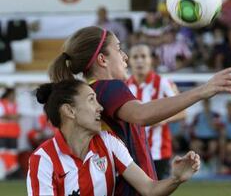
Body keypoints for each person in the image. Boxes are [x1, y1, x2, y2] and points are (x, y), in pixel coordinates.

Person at [48, 26, 231, 196]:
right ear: (102, 59)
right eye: (118, 49)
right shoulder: (108, 87)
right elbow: (142, 115)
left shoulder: (91, 92)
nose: (125, 56)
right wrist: (202, 91)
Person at [27, 80, 200, 196]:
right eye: (91, 100)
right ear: (70, 111)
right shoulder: (43, 159)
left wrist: (176, 179)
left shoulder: (109, 142)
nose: (100, 107)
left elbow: (149, 188)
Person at [126, 44, 186, 179]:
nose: (139, 61)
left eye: (143, 56)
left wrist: (162, 118)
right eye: (135, 57)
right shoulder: (124, 86)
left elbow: (182, 111)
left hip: (158, 151)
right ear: (129, 61)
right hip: (131, 151)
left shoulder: (163, 83)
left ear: (150, 60)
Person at [0, 88, 21, 179]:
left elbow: (18, 116)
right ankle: (3, 172)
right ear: (8, 94)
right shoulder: (2, 103)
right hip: (3, 133)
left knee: (13, 153)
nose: (13, 96)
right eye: (12, 94)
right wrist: (12, 117)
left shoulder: (15, 105)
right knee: (2, 152)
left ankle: (10, 171)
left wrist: (10, 117)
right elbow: (3, 115)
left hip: (13, 134)